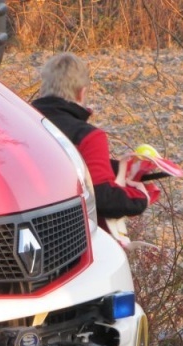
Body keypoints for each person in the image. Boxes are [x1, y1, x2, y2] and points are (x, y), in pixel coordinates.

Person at [31, 53, 156, 233]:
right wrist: (139, 198)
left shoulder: (21, 125)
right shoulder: (88, 137)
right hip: (68, 238)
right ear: (81, 93)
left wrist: (117, 167)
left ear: (43, 89)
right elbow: (102, 197)